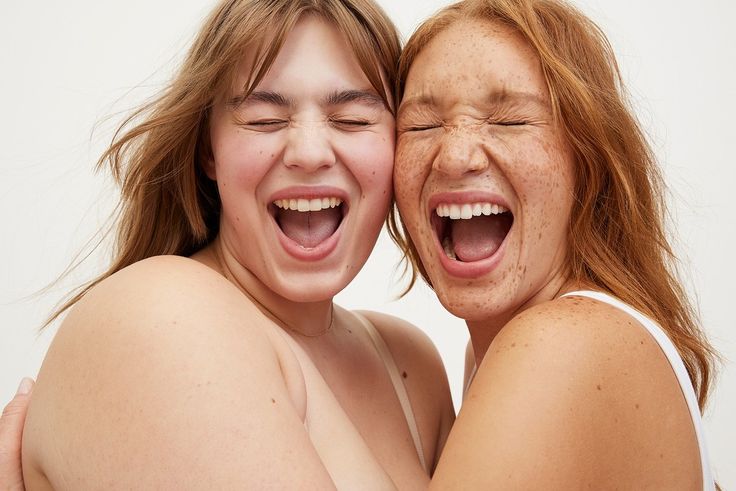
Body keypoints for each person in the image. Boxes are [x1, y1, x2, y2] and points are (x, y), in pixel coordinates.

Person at [15, 0, 454, 489]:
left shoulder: (410, 365)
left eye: (352, 119)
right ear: (209, 149)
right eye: (264, 120)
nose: (309, 153)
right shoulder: (158, 316)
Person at [389, 0, 717, 488]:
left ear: (588, 160)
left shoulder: (558, 344)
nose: (454, 157)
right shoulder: (497, 351)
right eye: (422, 126)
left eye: (510, 121)